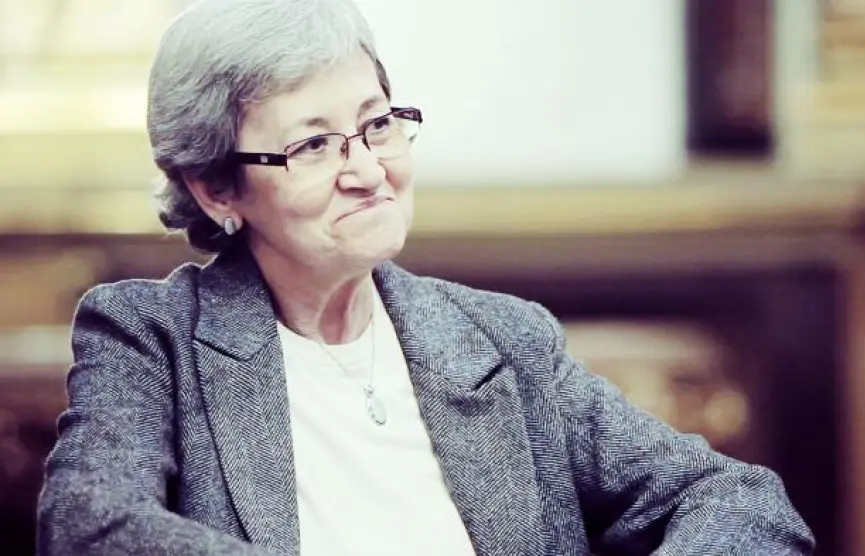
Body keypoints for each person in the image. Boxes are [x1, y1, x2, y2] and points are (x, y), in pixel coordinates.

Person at [36, 0, 814, 554]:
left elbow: (735, 499)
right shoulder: (150, 340)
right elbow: (89, 527)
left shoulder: (503, 340)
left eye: (376, 124)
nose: (368, 170)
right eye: (313, 146)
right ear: (216, 188)